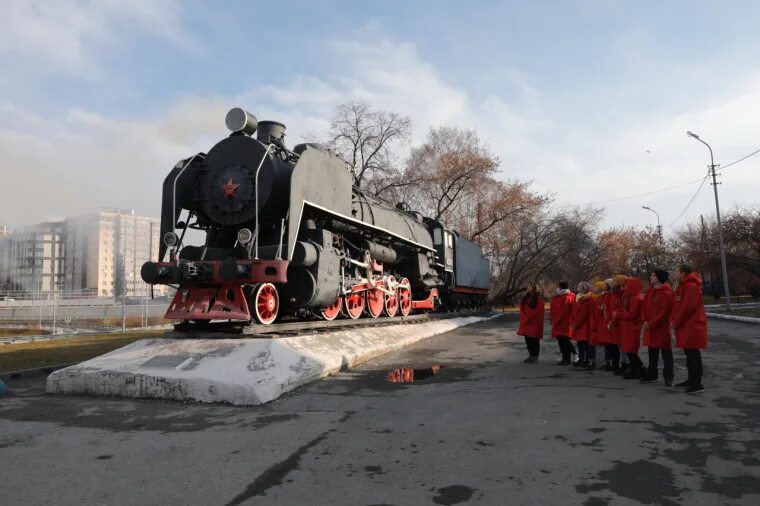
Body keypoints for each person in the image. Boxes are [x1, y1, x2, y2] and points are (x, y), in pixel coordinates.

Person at [670, 264, 708, 393]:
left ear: (683, 273)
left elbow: (688, 308)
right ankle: (691, 380)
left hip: (691, 325)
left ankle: (697, 383)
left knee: (693, 354)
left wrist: (675, 322)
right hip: (685, 325)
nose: (675, 273)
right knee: (689, 354)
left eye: (677, 271)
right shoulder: (683, 286)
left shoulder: (691, 287)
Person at [641, 269, 675, 385]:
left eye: (653, 275)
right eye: (651, 275)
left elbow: (664, 313)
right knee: (652, 353)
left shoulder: (667, 293)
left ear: (659, 278)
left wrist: (650, 323)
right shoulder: (650, 291)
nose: (651, 277)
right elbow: (644, 307)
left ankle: (668, 377)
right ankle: (651, 375)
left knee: (666, 353)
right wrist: (645, 320)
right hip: (650, 327)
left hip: (661, 328)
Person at [613, 277, 644, 379]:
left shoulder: (636, 298)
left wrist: (618, 314)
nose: (625, 287)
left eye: (627, 285)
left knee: (631, 351)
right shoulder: (629, 297)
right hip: (627, 327)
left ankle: (637, 370)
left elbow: (631, 315)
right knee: (629, 350)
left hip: (632, 327)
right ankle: (637, 369)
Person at [517, 283, 545, 363]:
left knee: (534, 340)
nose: (527, 287)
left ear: (534, 288)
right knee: (528, 340)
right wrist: (525, 317)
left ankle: (535, 356)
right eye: (528, 286)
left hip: (534, 322)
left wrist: (529, 317)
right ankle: (531, 355)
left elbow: (538, 311)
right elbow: (523, 308)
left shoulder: (538, 298)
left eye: (529, 286)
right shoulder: (526, 297)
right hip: (526, 322)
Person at [550, 281, 576, 365]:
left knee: (565, 341)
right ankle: (565, 358)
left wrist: (555, 320)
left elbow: (563, 312)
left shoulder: (566, 297)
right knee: (562, 341)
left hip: (564, 323)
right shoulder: (564, 296)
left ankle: (566, 359)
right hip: (562, 323)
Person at [594, 280, 617, 371]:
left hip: (609, 322)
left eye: (607, 284)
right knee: (607, 344)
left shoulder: (611, 295)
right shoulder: (605, 295)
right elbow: (601, 308)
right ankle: (609, 362)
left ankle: (613, 363)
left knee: (611, 344)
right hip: (604, 322)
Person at [609, 274, 629, 375]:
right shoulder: (615, 293)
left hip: (620, 322)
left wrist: (614, 319)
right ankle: (623, 363)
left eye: (615, 280)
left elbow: (621, 309)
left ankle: (626, 364)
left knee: (624, 345)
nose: (613, 282)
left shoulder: (622, 293)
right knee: (620, 345)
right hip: (615, 322)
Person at [570, 282, 593, 367]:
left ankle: (585, 360)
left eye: (580, 286)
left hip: (583, 325)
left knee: (584, 343)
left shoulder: (586, 299)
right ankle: (582, 359)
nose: (578, 287)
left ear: (584, 288)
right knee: (580, 343)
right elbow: (574, 311)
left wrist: (575, 323)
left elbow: (584, 314)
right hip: (579, 324)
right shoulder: (578, 297)